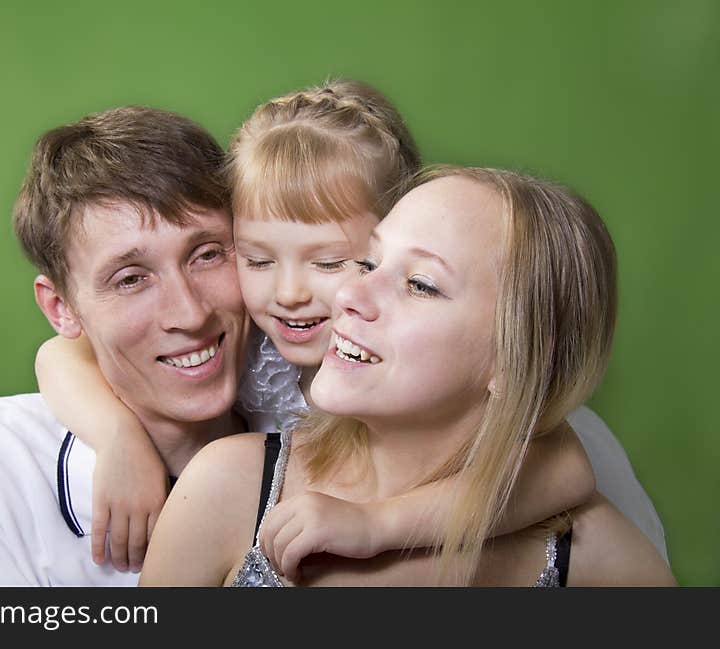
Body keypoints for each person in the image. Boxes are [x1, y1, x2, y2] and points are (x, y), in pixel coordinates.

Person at [36, 81, 667, 575]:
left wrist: (381, 524)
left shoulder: (465, 381)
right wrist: (120, 438)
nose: (289, 293)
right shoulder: (254, 350)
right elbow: (63, 354)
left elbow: (563, 468)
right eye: (255, 258)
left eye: (339, 261)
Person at [138, 166, 677, 587]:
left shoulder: (604, 562)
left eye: (420, 284)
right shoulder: (229, 489)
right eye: (369, 264)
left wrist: (381, 527)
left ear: (518, 359)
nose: (348, 295)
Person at [0, 105, 250, 585]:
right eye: (130, 279)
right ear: (61, 308)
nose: (190, 313)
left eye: (206, 254)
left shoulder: (318, 419)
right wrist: (121, 437)